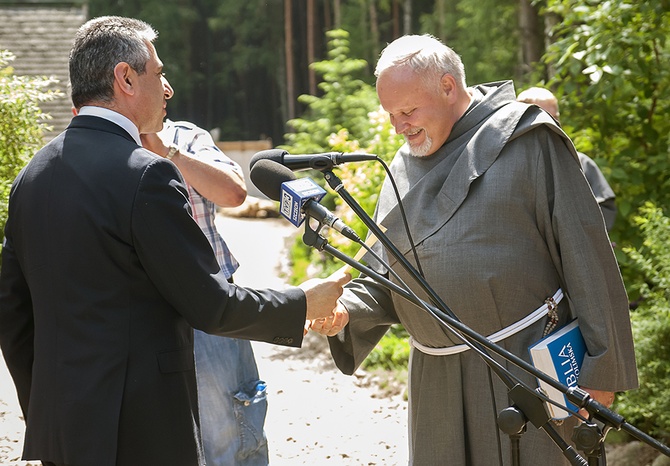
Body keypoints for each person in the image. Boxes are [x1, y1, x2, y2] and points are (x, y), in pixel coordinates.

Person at [0, 16, 349, 466]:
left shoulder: (32, 175)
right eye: (159, 72)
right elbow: (210, 304)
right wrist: (303, 301)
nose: (166, 87)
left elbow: (12, 309)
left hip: (64, 432)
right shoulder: (146, 173)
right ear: (125, 78)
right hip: (142, 431)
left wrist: (47, 411)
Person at [310, 34, 637, 465]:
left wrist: (601, 369)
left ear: (448, 87)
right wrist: (344, 311)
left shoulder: (528, 139)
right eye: (391, 115)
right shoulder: (401, 166)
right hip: (435, 377)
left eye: (408, 110)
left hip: (526, 366)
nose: (399, 126)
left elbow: (587, 256)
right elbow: (387, 274)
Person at [143, 120, 269, 466]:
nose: (166, 87)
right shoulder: (105, 141)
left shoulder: (186, 136)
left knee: (234, 423)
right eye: (157, 75)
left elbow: (234, 194)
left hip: (212, 304)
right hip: (144, 312)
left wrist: (168, 152)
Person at [517, 87, 617, 231]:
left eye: (555, 118)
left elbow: (604, 211)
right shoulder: (506, 167)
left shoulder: (580, 164)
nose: (552, 124)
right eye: (543, 117)